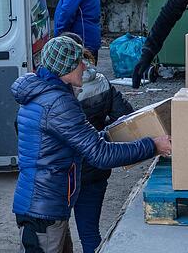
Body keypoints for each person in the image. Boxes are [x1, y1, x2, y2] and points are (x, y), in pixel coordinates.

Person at [12, 35, 171, 253]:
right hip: (44, 209)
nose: (85, 66)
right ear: (65, 68)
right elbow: (100, 155)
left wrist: (108, 134)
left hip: (43, 205)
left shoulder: (45, 94)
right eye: (80, 61)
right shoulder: (57, 103)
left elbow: (83, 141)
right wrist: (152, 145)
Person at [59, 32, 135, 253]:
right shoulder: (102, 83)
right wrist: (101, 132)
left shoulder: (53, 90)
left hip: (62, 172)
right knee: (90, 233)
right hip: (94, 169)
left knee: (55, 233)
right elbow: (126, 118)